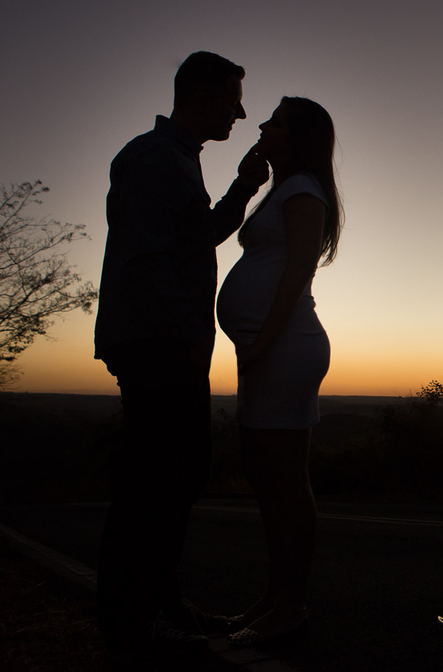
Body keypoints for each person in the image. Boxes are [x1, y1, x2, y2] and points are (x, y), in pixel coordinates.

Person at [93, 51, 269, 665]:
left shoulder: (177, 161)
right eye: (231, 99)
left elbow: (196, 238)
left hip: (163, 340)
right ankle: (133, 625)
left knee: (174, 476)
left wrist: (244, 187)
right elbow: (146, 258)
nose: (241, 113)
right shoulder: (151, 158)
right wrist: (188, 335)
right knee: (156, 482)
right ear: (199, 96)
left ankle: (160, 610)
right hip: (157, 342)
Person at [215, 96, 343, 646]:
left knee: (286, 482)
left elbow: (296, 274)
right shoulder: (282, 189)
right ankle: (273, 599)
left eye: (276, 121)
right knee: (268, 479)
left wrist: (262, 343)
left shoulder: (303, 191)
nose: (263, 125)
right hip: (269, 347)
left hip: (285, 346)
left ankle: (289, 606)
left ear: (300, 137)